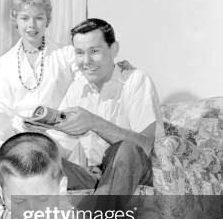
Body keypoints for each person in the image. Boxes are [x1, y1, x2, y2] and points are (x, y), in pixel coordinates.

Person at [0, 0, 75, 219]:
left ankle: (45, 218)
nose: (31, 25)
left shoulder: (66, 55)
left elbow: (88, 72)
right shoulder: (4, 63)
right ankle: (0, 217)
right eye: (25, 18)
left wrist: (116, 67)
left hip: (56, 129)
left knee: (45, 154)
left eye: (39, 17)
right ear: (15, 19)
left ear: (48, 20)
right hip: (15, 129)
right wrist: (12, 133)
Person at [49, 18, 164, 196]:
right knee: (39, 158)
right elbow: (60, 148)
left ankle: (100, 216)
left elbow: (145, 147)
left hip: (139, 172)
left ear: (114, 49)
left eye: (94, 51)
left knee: (126, 149)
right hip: (98, 177)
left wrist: (93, 122)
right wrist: (37, 136)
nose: (86, 61)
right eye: (79, 52)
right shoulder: (77, 88)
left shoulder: (136, 80)